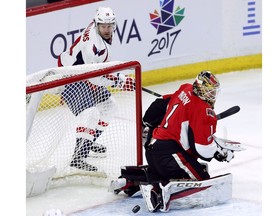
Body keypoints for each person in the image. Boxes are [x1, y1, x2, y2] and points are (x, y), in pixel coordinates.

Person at [141, 70, 234, 211]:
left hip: (152, 150)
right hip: (169, 157)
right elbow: (203, 149)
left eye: (214, 92)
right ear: (201, 89)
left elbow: (161, 102)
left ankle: (155, 177)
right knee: (202, 180)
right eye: (210, 92)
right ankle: (158, 192)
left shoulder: (185, 88)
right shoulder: (204, 112)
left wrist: (146, 122)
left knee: (197, 168)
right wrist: (220, 152)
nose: (213, 96)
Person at [57, 6, 135, 171]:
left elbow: (96, 73)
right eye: (103, 27)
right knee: (90, 113)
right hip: (68, 77)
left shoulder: (96, 28)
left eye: (109, 26)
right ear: (97, 24)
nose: (107, 30)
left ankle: (87, 142)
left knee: (109, 106)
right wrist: (120, 82)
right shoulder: (95, 46)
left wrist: (118, 79)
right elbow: (96, 77)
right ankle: (78, 158)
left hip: (83, 75)